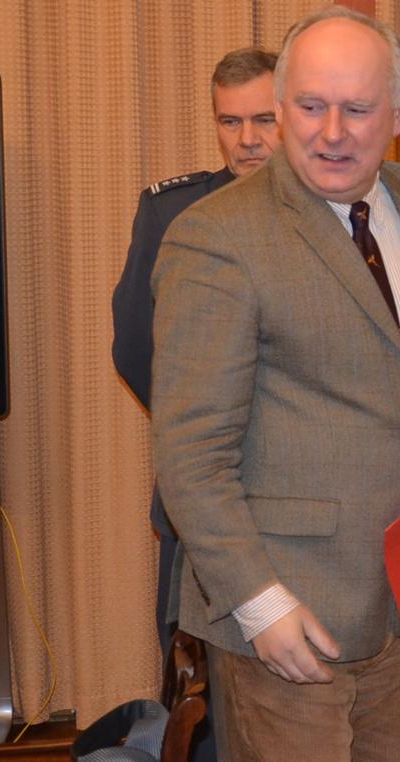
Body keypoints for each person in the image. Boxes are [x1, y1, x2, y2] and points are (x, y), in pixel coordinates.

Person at [150, 5, 400, 760]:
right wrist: (260, 606)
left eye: (357, 109)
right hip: (288, 613)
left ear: (399, 114)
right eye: (309, 107)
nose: (331, 132)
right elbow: (189, 456)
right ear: (280, 108)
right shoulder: (216, 237)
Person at [112, 45, 279, 649]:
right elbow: (133, 342)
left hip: (305, 499)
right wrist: (202, 425)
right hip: (204, 485)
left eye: (264, 120)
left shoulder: (332, 213)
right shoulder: (175, 212)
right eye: (229, 122)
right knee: (195, 682)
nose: (247, 141)